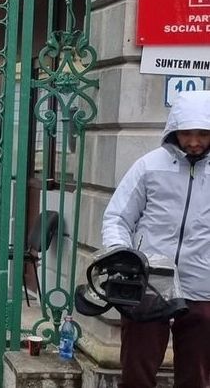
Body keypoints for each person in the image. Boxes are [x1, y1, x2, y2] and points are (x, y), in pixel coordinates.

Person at [102, 90, 210, 388]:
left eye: (203, 133)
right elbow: (118, 218)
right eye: (187, 133)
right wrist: (122, 257)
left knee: (197, 375)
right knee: (137, 369)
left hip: (203, 285)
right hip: (150, 281)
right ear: (175, 129)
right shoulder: (149, 166)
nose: (194, 142)